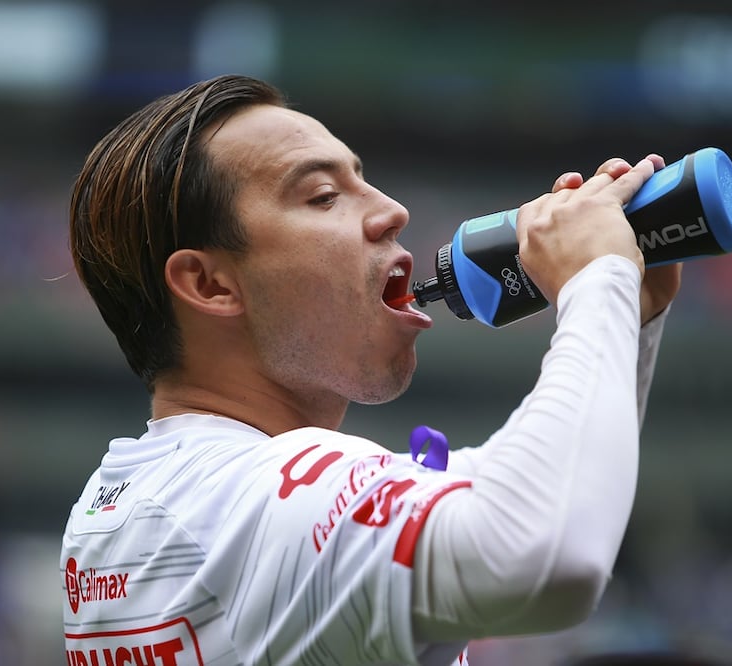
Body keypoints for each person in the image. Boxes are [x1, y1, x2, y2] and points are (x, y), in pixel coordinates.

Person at [60, 73, 682, 666]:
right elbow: (544, 553)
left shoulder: (128, 501)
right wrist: (595, 279)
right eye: (323, 196)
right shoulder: (256, 498)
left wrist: (627, 317)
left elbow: (553, 494)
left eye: (363, 180)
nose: (393, 211)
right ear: (209, 284)